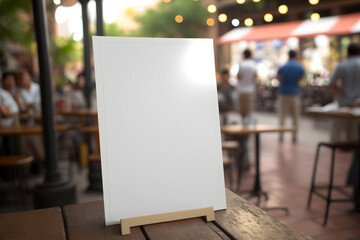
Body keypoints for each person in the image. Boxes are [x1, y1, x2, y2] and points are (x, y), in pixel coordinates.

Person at [329, 43, 360, 202]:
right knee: (355, 137)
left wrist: (338, 93)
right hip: (358, 107)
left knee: (338, 134)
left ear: (347, 52)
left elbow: (333, 83)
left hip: (343, 104)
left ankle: (341, 148)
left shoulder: (343, 65)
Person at [277, 50, 305, 143]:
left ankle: (281, 135)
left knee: (282, 116)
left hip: (283, 93)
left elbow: (279, 78)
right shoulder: (299, 67)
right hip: (294, 93)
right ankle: (294, 136)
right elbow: (301, 77)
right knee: (295, 116)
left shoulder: (283, 67)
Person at [236, 49, 257, 125]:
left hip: (241, 90)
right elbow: (255, 77)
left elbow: (238, 77)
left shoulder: (242, 64)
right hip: (250, 90)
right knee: (249, 110)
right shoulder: (253, 64)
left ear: (244, 55)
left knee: (242, 110)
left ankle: (243, 125)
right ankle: (248, 125)